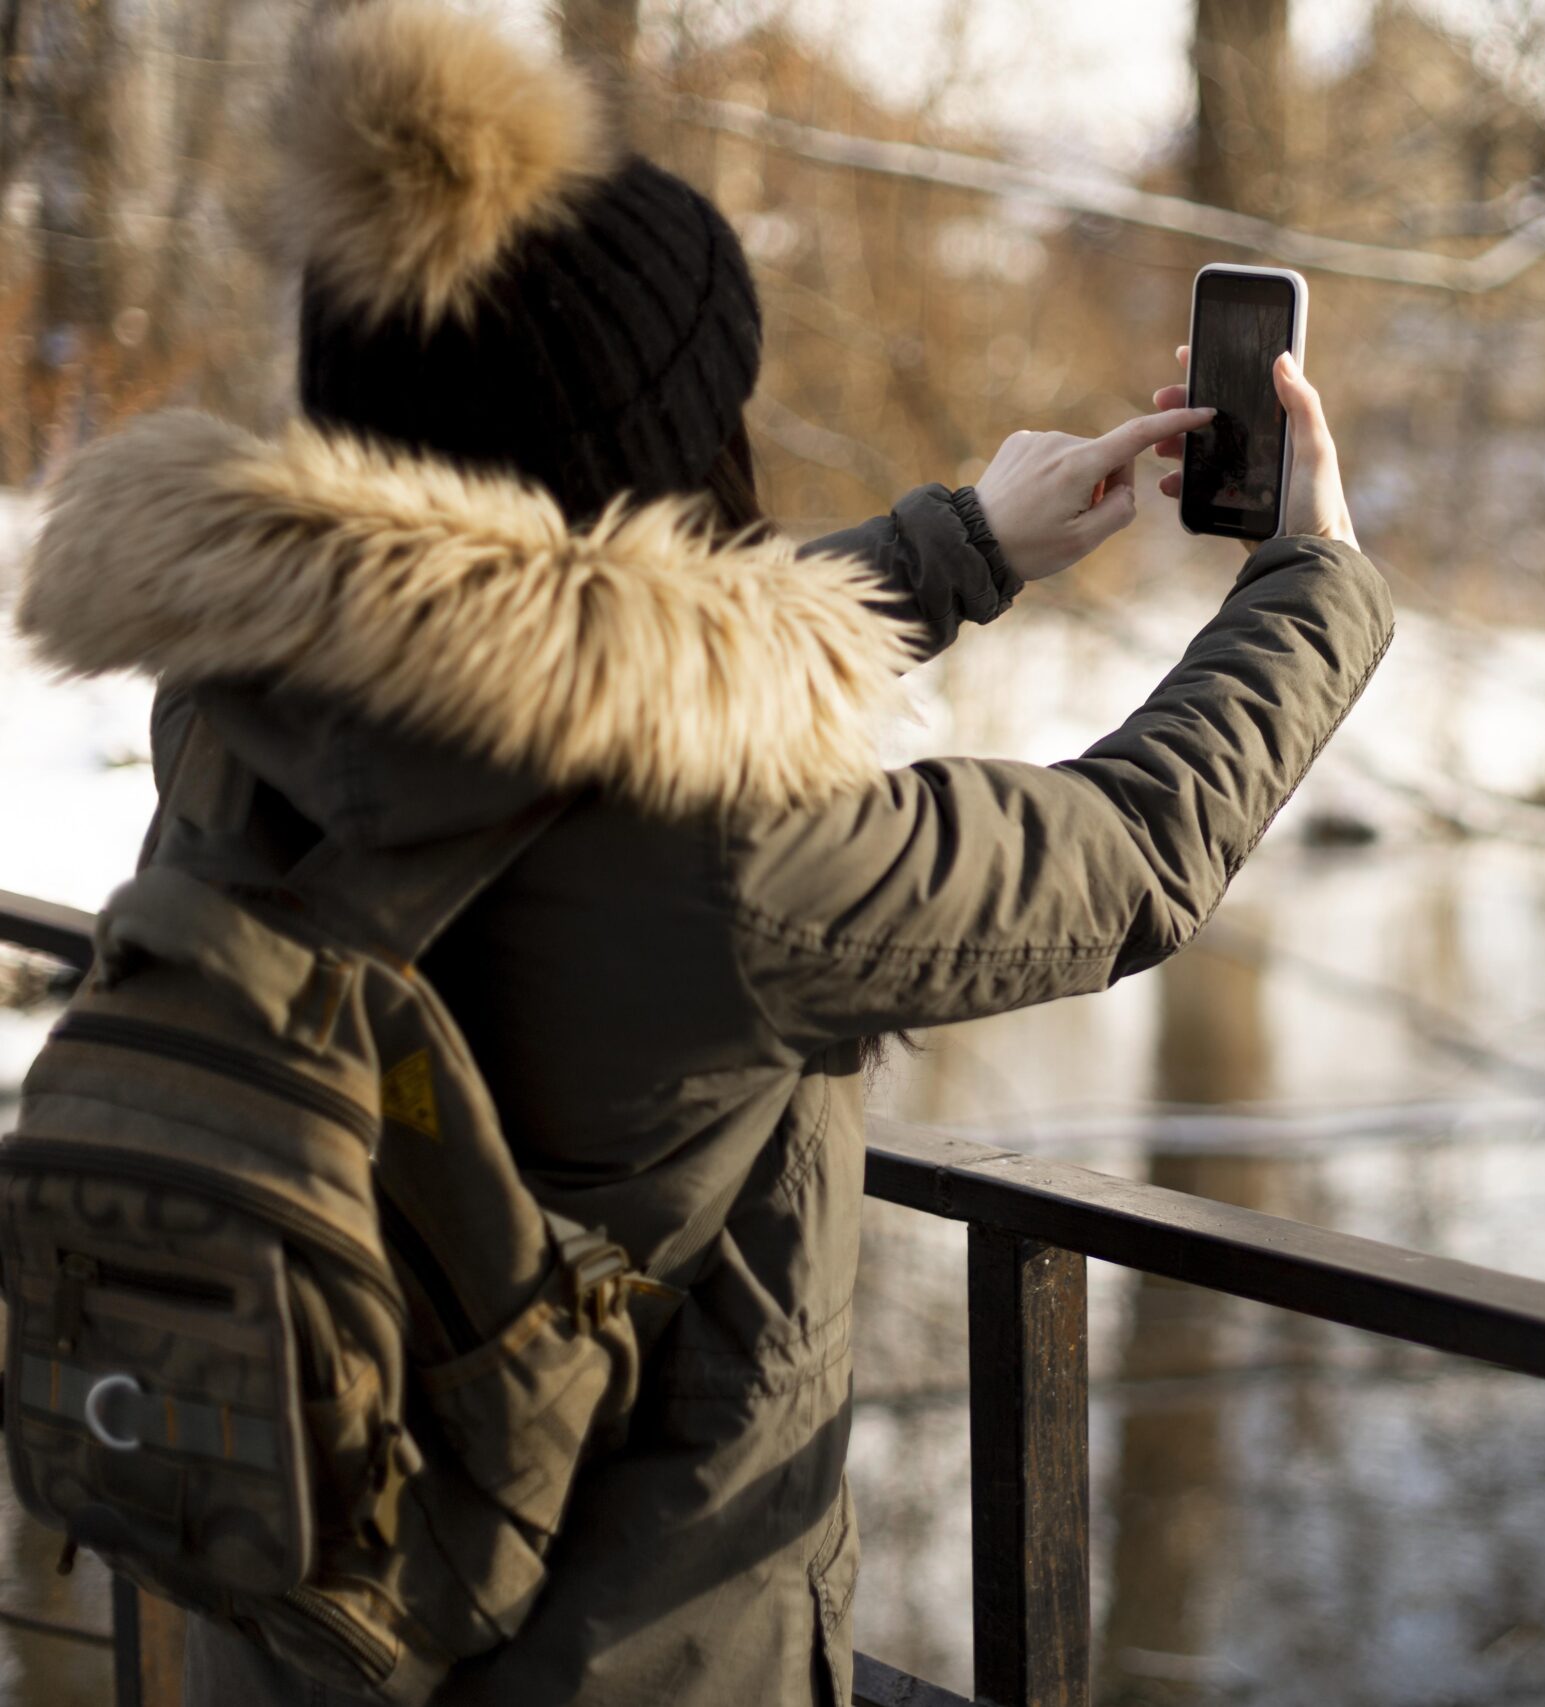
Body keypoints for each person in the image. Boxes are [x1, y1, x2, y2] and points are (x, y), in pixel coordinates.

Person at [11, 4, 1390, 1703]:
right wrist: (1313, 581)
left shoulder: (232, 706)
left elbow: (534, 665)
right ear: (664, 475)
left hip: (298, 1604)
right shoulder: (746, 865)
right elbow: (1127, 854)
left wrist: (954, 549)